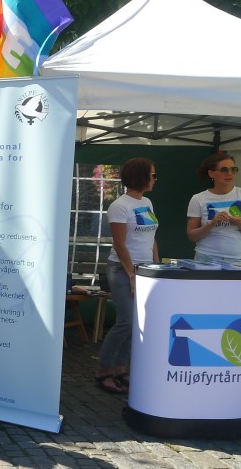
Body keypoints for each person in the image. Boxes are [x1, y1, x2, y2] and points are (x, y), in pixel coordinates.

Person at [186, 152, 241, 386]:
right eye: (224, 170)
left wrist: (240, 222)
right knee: (207, 310)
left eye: (233, 170)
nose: (230, 174)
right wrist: (212, 224)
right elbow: (191, 235)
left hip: (240, 260)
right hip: (207, 258)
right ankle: (207, 360)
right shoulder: (199, 198)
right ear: (212, 173)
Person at [96, 158, 158, 395]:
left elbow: (152, 236)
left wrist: (156, 265)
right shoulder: (120, 206)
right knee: (126, 321)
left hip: (145, 269)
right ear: (141, 176)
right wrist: (131, 274)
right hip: (122, 269)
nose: (154, 179)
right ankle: (104, 371)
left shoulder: (148, 202)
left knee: (136, 323)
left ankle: (121, 369)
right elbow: (120, 245)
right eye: (153, 175)